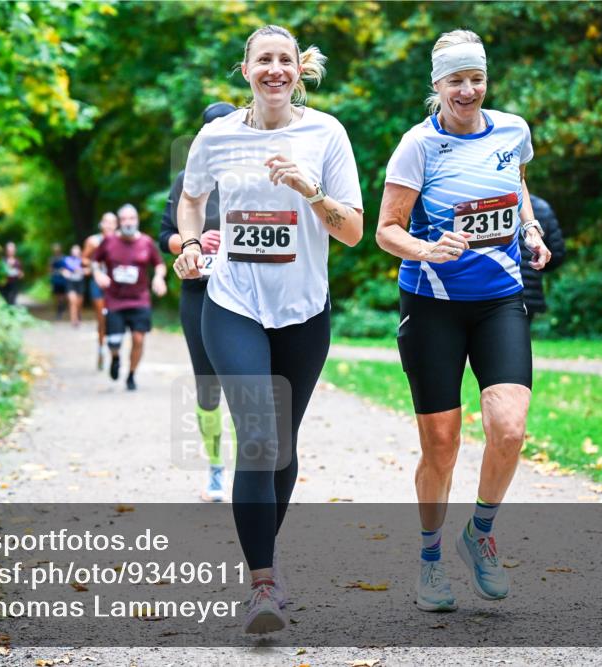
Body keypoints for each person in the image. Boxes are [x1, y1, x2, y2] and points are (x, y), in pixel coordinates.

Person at [174, 25, 362, 634]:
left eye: (285, 60)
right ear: (246, 69)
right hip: (231, 302)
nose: (275, 69)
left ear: (299, 70)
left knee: (281, 445)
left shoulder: (326, 133)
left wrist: (311, 191)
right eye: (264, 60)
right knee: (256, 434)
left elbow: (353, 230)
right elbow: (190, 197)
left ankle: (265, 557)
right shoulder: (217, 135)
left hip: (305, 309)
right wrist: (190, 248)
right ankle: (264, 584)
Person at [374, 29, 552, 613]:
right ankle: (429, 562)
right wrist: (426, 250)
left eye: (476, 79)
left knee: (508, 428)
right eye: (457, 80)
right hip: (432, 306)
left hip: (501, 297)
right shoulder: (417, 146)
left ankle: (479, 533)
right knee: (443, 445)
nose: (468, 90)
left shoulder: (513, 131)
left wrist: (529, 229)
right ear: (437, 85)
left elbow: (518, 186)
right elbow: (387, 230)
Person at [160, 101, 237, 503]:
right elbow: (165, 237)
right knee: (208, 386)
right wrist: (192, 241)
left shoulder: (251, 174)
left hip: (245, 291)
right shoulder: (185, 180)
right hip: (198, 291)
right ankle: (214, 468)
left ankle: (254, 473)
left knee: (248, 383)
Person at [92, 204, 167, 391]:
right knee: (114, 342)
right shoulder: (109, 241)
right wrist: (98, 274)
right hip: (115, 299)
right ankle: (115, 358)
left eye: (131, 218)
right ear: (119, 222)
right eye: (124, 219)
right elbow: (94, 261)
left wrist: (158, 278)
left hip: (139, 299)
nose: (128, 222)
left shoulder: (146, 242)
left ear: (137, 220)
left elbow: (159, 264)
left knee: (139, 339)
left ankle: (131, 375)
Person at [520, 194, 566, 323]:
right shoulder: (542, 207)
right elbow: (557, 254)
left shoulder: (495, 203)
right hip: (529, 292)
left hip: (498, 288)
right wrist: (538, 266)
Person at [83, 212, 118, 369]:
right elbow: (84, 259)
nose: (109, 225)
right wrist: (93, 268)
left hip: (116, 284)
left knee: (115, 317)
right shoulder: (93, 241)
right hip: (98, 283)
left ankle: (114, 351)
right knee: (102, 319)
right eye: (106, 222)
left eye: (112, 222)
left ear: (117, 224)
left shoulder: (120, 240)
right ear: (101, 224)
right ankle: (100, 349)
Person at [62, 244, 86, 327]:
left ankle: (78, 315)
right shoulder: (67, 260)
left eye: (77, 250)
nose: (75, 252)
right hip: (70, 283)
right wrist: (65, 273)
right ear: (71, 252)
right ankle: (73, 320)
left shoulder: (83, 260)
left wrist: (83, 271)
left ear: (80, 251)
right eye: (73, 250)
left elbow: (90, 269)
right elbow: (63, 270)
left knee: (79, 302)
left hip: (80, 283)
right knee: (73, 301)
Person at [0, 241, 24, 306]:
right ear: (6, 251)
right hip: (4, 285)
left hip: (14, 285)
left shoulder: (18, 262)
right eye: (9, 250)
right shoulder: (2, 261)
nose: (10, 252)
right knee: (5, 301)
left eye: (12, 250)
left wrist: (20, 274)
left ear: (14, 251)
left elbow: (21, 274)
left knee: (12, 302)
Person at [49, 243, 67, 320]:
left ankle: (61, 307)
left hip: (63, 279)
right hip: (56, 279)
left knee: (63, 295)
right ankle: (59, 308)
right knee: (57, 295)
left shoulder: (64, 258)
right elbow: (49, 269)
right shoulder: (52, 259)